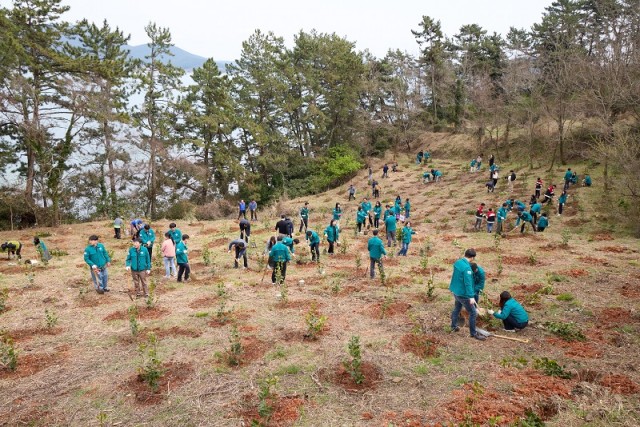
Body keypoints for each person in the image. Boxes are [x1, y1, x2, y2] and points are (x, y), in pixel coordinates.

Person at [449, 248, 485, 341]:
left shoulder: (458, 262)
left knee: (457, 308)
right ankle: (473, 333)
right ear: (472, 258)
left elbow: (456, 276)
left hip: (455, 291)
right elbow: (468, 283)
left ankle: (453, 326)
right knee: (473, 312)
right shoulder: (467, 269)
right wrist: (471, 296)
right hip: (463, 294)